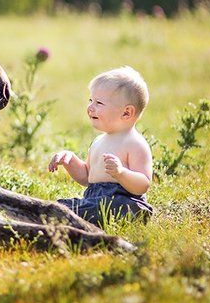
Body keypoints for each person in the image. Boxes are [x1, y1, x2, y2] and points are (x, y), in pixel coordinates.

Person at [48, 66, 153, 226]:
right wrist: (70, 161)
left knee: (96, 208)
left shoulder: (135, 143)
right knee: (59, 206)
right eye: (91, 100)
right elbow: (87, 177)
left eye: (99, 103)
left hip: (123, 202)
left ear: (126, 113)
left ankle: (69, 217)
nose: (90, 107)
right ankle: (65, 214)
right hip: (94, 201)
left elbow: (143, 184)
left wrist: (121, 173)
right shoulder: (98, 141)